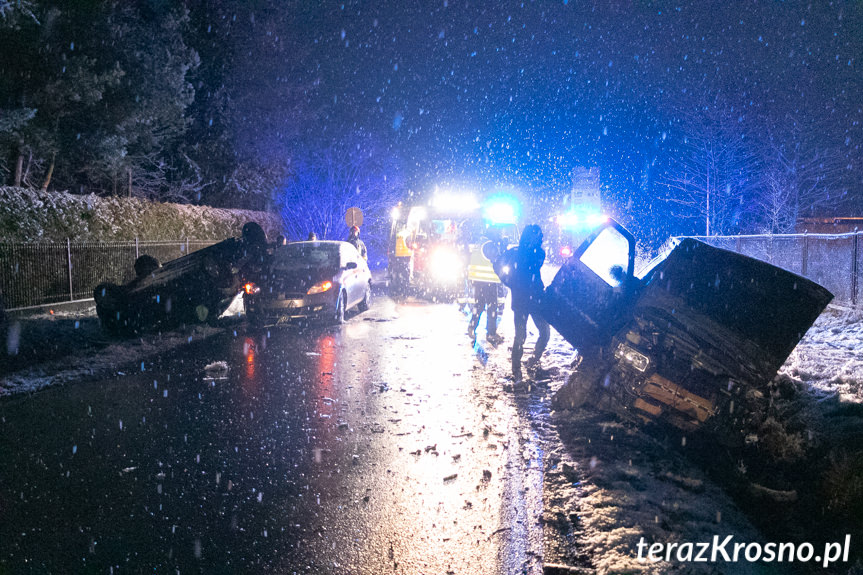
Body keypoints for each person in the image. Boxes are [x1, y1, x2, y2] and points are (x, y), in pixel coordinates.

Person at [498, 224, 550, 383]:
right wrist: (508, 282)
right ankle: (517, 370)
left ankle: (532, 361)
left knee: (543, 332)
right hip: (525, 298)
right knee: (522, 335)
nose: (541, 238)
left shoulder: (531, 252)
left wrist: (509, 281)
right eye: (538, 236)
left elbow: (503, 264)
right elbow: (499, 264)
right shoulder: (521, 252)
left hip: (531, 298)